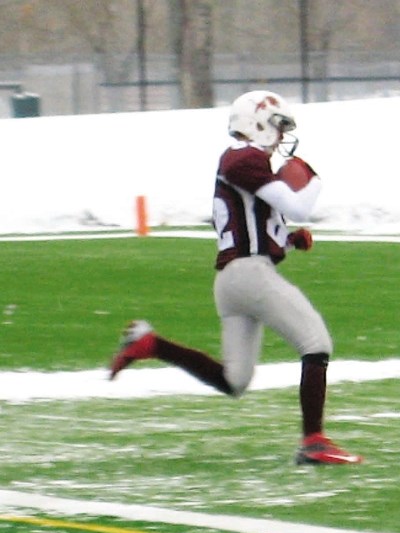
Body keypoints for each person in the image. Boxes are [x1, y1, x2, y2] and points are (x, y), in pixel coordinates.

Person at [110, 90, 362, 465]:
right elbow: (299, 205)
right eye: (277, 127)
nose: (279, 137)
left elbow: (255, 233)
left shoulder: (239, 163)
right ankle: (313, 441)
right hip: (250, 275)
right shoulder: (243, 158)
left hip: (233, 280)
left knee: (235, 380)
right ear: (256, 123)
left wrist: (290, 241)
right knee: (316, 343)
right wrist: (313, 179)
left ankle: (150, 344)